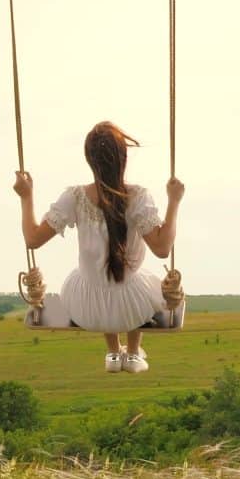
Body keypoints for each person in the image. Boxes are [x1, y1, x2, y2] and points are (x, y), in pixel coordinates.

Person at [12, 121, 184, 373]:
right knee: (138, 283)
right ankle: (133, 353)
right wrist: (174, 202)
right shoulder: (138, 198)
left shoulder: (74, 197)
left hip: (85, 306)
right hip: (131, 307)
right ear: (123, 158)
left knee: (98, 279)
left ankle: (114, 353)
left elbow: (33, 239)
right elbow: (162, 248)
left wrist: (26, 197)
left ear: (89, 160)